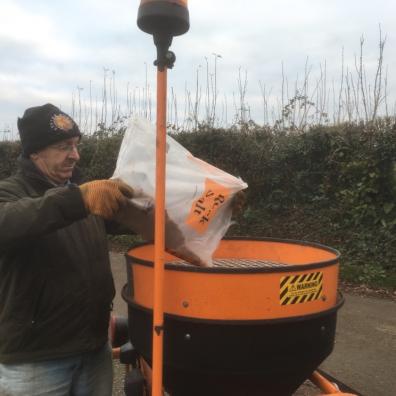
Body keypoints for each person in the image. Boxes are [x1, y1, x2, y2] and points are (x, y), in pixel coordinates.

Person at [0, 103, 134, 396]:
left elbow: (138, 219)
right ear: (35, 152)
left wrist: (200, 212)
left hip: (94, 350)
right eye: (63, 147)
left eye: (75, 145)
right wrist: (78, 200)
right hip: (36, 362)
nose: (75, 155)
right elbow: (11, 222)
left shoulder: (84, 193)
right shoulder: (11, 193)